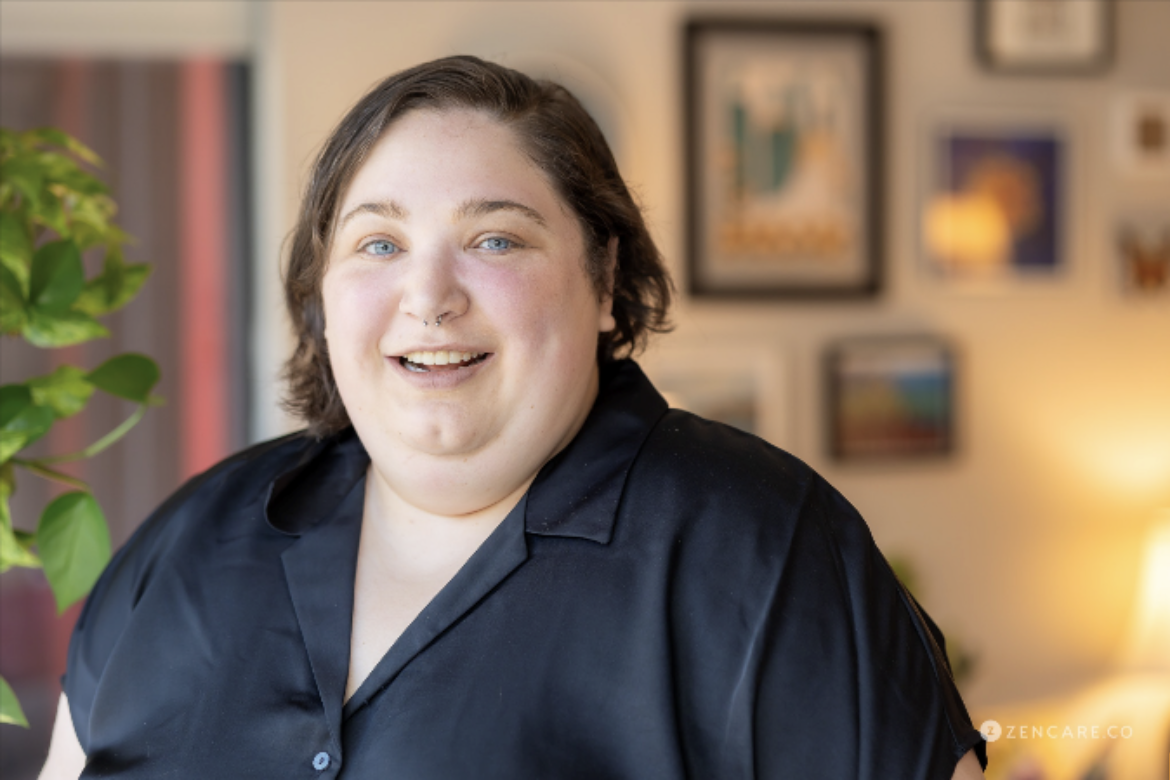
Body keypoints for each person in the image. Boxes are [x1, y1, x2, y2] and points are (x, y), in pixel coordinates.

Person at [40, 56, 987, 779]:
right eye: (378, 242)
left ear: (605, 281)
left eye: (494, 238)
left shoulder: (766, 548)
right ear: (323, 291)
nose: (429, 296)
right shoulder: (186, 543)